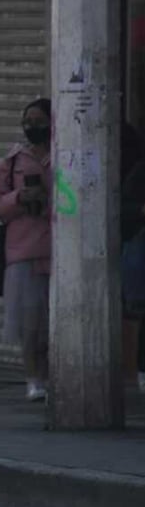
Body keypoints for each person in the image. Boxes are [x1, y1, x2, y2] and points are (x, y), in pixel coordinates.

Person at [0, 98, 53, 402]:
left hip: (59, 251)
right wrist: (19, 198)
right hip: (24, 252)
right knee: (30, 324)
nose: (32, 127)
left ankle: (53, 376)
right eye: (27, 122)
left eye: (39, 121)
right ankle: (34, 379)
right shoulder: (12, 162)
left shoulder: (66, 155)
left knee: (53, 325)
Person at [118, 124, 145, 390]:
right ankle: (136, 370)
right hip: (138, 246)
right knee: (136, 310)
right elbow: (126, 208)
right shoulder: (139, 172)